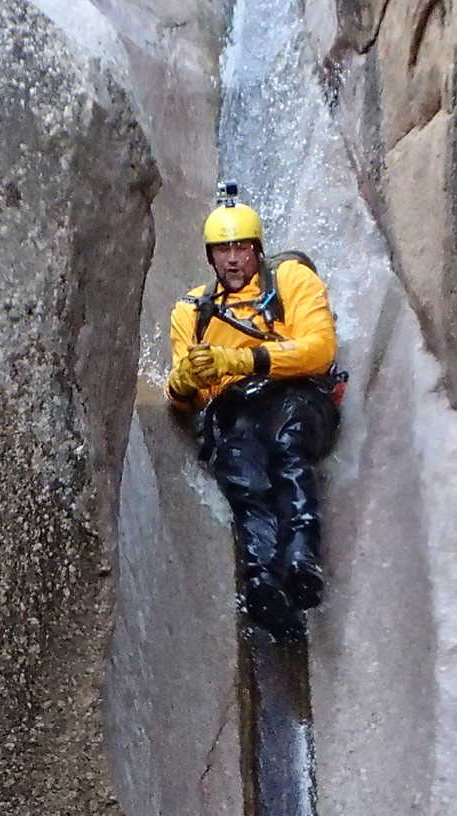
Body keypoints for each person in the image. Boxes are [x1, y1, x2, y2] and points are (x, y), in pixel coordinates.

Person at [164, 188, 341, 638]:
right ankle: (264, 581)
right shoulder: (192, 310)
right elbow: (184, 393)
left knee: (288, 446)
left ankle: (302, 557)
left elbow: (319, 350)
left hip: (297, 395)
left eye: (241, 247)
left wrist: (246, 360)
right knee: (242, 472)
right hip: (238, 410)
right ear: (210, 257)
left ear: (258, 249)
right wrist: (185, 382)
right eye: (223, 250)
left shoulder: (293, 281)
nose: (233, 259)